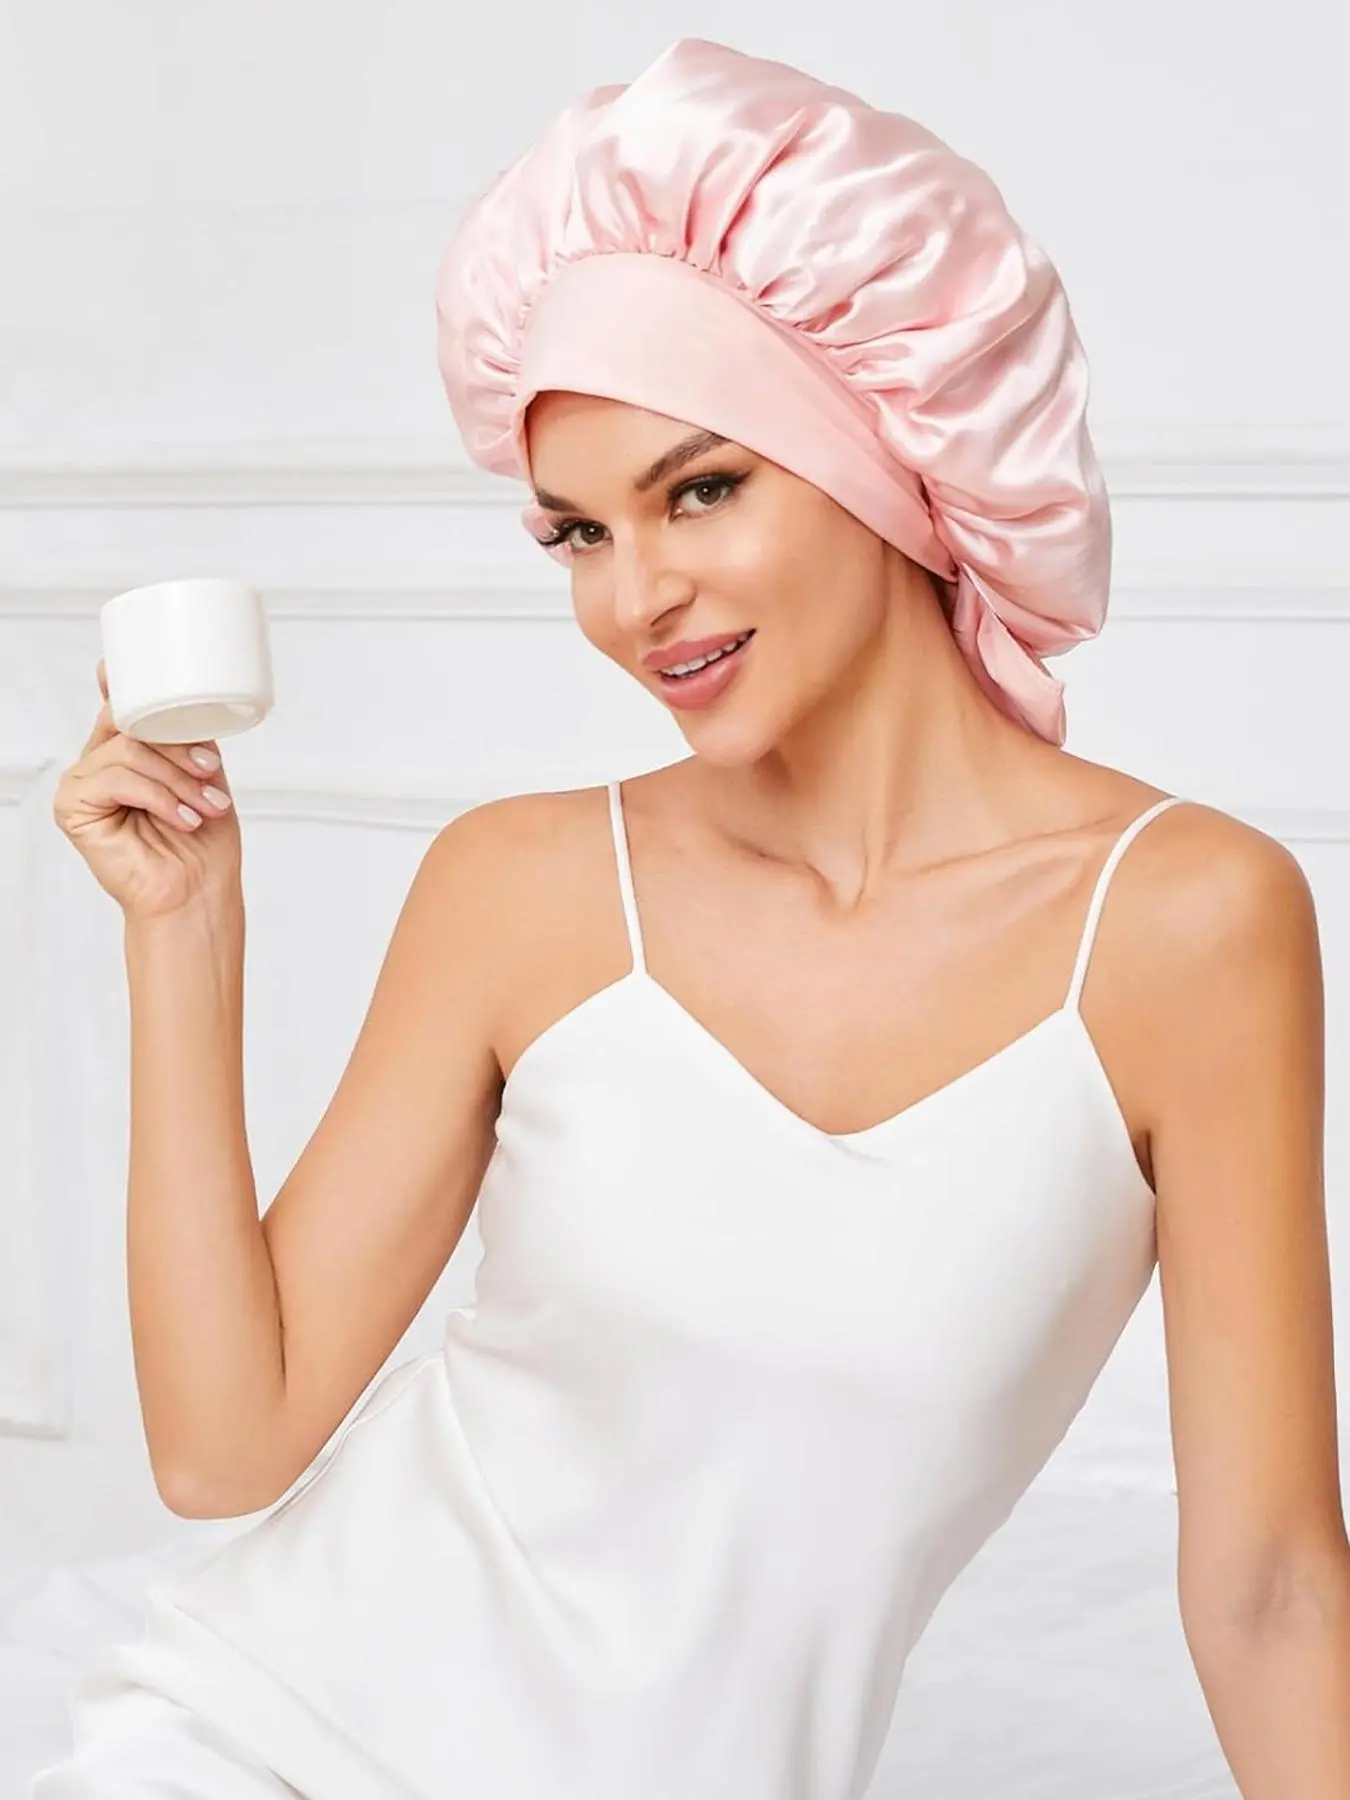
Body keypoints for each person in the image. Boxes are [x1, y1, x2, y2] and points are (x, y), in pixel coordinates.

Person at [34, 36, 1346, 1800]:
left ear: (887, 457)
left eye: (702, 488)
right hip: (262, 1743)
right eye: (576, 534)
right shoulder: (522, 886)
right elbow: (225, 1446)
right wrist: (182, 926)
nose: (634, 597)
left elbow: (1268, 1587)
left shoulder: (1187, 925)